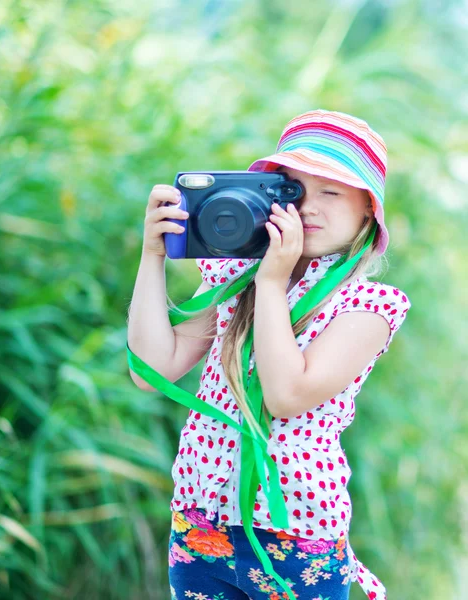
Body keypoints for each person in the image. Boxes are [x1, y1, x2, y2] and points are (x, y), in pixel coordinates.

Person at [127, 109, 411, 600]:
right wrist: (153, 254)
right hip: (201, 520)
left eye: (332, 192)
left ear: (368, 208)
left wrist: (273, 282)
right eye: (294, 189)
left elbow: (286, 394)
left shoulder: (368, 307)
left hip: (295, 533)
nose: (309, 207)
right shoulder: (237, 278)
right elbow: (153, 371)